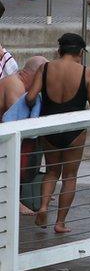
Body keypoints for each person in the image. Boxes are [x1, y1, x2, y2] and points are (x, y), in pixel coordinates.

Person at [26, 34, 90, 232]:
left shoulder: (45, 68)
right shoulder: (85, 72)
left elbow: (30, 97)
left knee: (52, 171)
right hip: (74, 131)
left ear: (59, 50)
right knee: (70, 176)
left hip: (49, 128)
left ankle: (44, 206)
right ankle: (60, 223)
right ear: (80, 52)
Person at [0, 55, 46, 216]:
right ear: (36, 74)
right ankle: (13, 200)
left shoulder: (21, 86)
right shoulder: (15, 85)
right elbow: (15, 121)